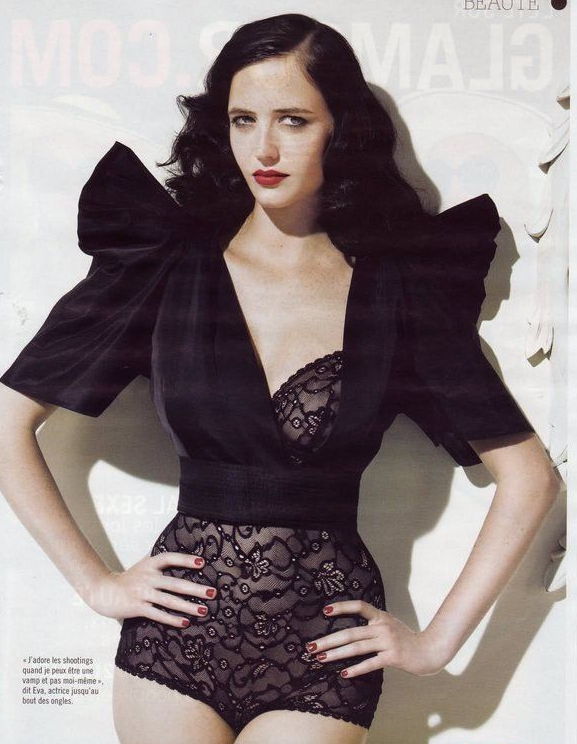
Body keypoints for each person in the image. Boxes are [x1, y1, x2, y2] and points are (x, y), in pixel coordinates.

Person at [0, 13, 560, 744]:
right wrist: (97, 584)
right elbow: (8, 423)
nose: (262, 148)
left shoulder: (398, 286)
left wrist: (435, 645)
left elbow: (529, 477)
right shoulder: (163, 263)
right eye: (243, 120)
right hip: (174, 639)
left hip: (324, 649)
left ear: (340, 129)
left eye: (293, 120)